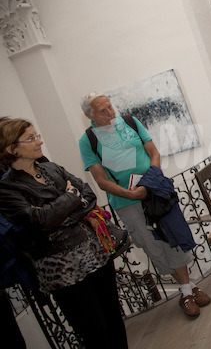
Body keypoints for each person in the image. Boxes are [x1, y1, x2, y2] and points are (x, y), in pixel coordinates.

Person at [78, 92, 210, 317]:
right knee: (151, 244)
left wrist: (149, 183)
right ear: (90, 115)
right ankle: (188, 287)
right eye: (103, 110)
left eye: (110, 107)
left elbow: (153, 153)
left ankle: (187, 291)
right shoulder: (87, 141)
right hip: (125, 201)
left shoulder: (129, 122)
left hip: (154, 191)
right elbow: (101, 180)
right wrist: (130, 194)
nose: (110, 113)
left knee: (173, 237)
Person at [0, 117, 128, 348]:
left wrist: (62, 214)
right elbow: (40, 220)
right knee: (95, 332)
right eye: (31, 138)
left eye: (37, 135)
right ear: (11, 148)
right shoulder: (6, 188)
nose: (39, 141)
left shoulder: (50, 167)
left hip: (95, 254)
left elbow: (88, 194)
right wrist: (70, 197)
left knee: (114, 318)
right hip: (62, 270)